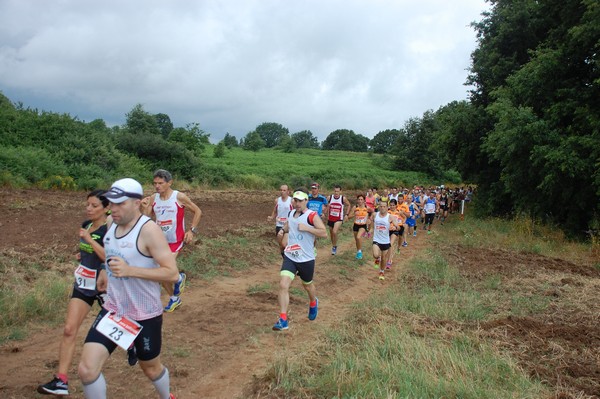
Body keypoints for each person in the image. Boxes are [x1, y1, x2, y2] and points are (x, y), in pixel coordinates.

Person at [78, 178, 178, 399]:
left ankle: (166, 396)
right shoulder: (112, 225)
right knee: (86, 370)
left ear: (136, 202)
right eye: (111, 203)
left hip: (143, 314)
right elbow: (113, 254)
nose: (113, 209)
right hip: (114, 309)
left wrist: (130, 270)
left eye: (120, 203)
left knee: (151, 368)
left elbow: (171, 273)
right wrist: (106, 271)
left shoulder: (148, 230)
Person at [38, 190, 110, 396]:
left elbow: (108, 256)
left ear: (106, 208)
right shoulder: (86, 225)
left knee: (121, 325)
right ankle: (61, 380)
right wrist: (83, 252)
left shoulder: (109, 229)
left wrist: (89, 240)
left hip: (106, 286)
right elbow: (90, 251)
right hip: (84, 284)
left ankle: (135, 344)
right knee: (69, 329)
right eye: (87, 204)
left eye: (94, 206)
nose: (88, 209)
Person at [141, 169, 202, 312]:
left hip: (175, 240)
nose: (157, 186)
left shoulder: (179, 197)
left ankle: (178, 279)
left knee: (164, 269)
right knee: (159, 273)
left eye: (160, 183)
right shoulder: (153, 198)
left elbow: (198, 211)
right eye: (155, 183)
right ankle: (175, 297)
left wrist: (191, 231)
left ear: (170, 183)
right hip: (159, 241)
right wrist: (144, 207)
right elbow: (146, 219)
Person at [272, 188, 327, 331]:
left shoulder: (312, 216)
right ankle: (283, 319)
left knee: (307, 285)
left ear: (306, 201)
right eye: (295, 200)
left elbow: (323, 233)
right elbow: (290, 224)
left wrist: (308, 228)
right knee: (283, 285)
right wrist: (283, 230)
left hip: (306, 259)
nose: (297, 204)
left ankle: (313, 302)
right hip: (291, 256)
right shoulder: (291, 213)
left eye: (300, 201)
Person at [369, 198, 399, 280]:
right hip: (376, 239)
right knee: (375, 254)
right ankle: (377, 258)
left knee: (383, 258)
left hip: (385, 240)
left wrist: (397, 227)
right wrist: (370, 229)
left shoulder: (390, 217)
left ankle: (382, 271)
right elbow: (371, 220)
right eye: (381, 206)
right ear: (379, 207)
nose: (382, 208)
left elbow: (397, 224)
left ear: (387, 207)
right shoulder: (375, 214)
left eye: (384, 206)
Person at [325, 185, 351, 255]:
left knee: (334, 231)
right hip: (330, 218)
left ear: (340, 191)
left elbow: (349, 205)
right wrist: (326, 208)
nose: (336, 193)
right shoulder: (329, 197)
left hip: (339, 219)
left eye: (338, 191)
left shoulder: (343, 198)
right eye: (335, 191)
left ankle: (334, 247)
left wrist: (347, 214)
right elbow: (324, 204)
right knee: (331, 233)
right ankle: (334, 245)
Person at [267, 184, 292, 253]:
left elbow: (295, 212)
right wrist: (271, 217)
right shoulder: (277, 200)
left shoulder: (291, 201)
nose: (282, 192)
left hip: (288, 226)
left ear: (288, 191)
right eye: (281, 190)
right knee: (280, 245)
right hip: (279, 225)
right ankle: (285, 259)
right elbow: (275, 211)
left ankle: (288, 260)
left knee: (285, 244)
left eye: (284, 190)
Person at [348, 194, 370, 260]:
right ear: (357, 200)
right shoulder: (355, 207)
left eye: (361, 199)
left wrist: (369, 219)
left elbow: (372, 212)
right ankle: (358, 251)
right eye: (359, 199)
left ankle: (360, 252)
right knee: (357, 240)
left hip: (363, 225)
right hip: (356, 225)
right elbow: (349, 216)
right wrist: (354, 214)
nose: (360, 201)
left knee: (358, 237)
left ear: (364, 201)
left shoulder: (367, 207)